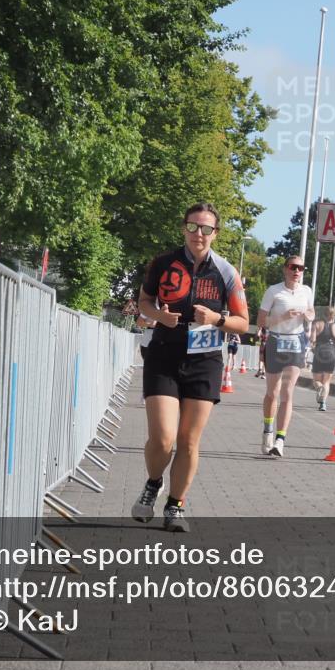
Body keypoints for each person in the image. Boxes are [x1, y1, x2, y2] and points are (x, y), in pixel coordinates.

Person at [132, 203, 249, 532]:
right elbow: (144, 302)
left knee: (188, 441)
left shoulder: (226, 272)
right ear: (184, 228)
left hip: (204, 360)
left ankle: (175, 506)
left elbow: (243, 322)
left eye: (206, 229)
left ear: (216, 233)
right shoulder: (163, 263)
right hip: (164, 355)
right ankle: (154, 482)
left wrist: (217, 319)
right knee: (163, 438)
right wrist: (160, 316)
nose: (199, 234)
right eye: (193, 227)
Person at [258, 255, 314, 457]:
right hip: (276, 341)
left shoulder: (306, 291)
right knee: (272, 393)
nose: (297, 271)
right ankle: (268, 431)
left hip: (296, 342)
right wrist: (282, 317)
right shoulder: (274, 291)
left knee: (288, 392)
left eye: (301, 268)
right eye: (293, 267)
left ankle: (280, 440)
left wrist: (308, 316)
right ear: (285, 269)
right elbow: (261, 321)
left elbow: (312, 312)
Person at [310, 306, 335, 411]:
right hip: (331, 354)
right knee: (326, 381)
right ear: (334, 316)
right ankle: (323, 404)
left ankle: (319, 387)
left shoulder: (316, 324)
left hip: (319, 353)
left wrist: (313, 346)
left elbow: (312, 340)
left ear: (324, 314)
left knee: (316, 380)